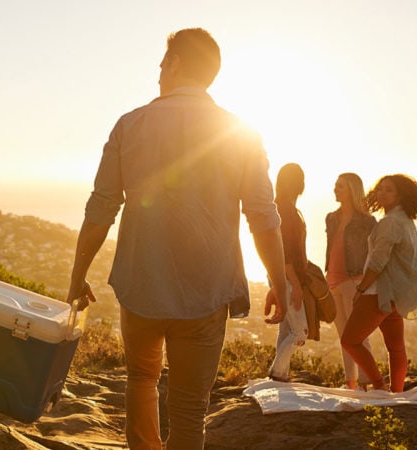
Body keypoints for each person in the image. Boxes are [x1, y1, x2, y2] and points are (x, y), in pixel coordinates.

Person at [65, 28, 288, 450]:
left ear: (175, 63)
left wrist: (78, 274)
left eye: (162, 62)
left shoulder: (130, 125)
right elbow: (262, 215)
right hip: (205, 291)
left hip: (140, 284)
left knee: (141, 381)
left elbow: (101, 209)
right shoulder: (241, 133)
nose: (159, 70)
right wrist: (279, 282)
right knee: (189, 410)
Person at [341, 174, 417, 393]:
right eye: (380, 188)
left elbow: (377, 262)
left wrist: (361, 289)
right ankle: (397, 392)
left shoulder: (390, 223)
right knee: (396, 347)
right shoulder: (406, 222)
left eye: (389, 190)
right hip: (394, 296)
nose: (381, 193)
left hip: (377, 293)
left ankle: (380, 388)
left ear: (400, 196)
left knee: (350, 341)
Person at [324, 173, 376, 390]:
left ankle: (368, 381)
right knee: (344, 337)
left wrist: (365, 283)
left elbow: (373, 254)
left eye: (341, 186)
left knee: (358, 335)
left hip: (354, 281)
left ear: (352, 191)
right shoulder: (331, 217)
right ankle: (351, 382)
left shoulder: (367, 221)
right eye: (335, 185)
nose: (336, 189)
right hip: (332, 280)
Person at [267, 163, 311, 382]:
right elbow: (284, 249)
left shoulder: (285, 208)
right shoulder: (285, 209)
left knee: (286, 329)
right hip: (287, 276)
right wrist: (294, 282)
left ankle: (281, 373)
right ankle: (277, 372)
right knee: (300, 332)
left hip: (284, 274)